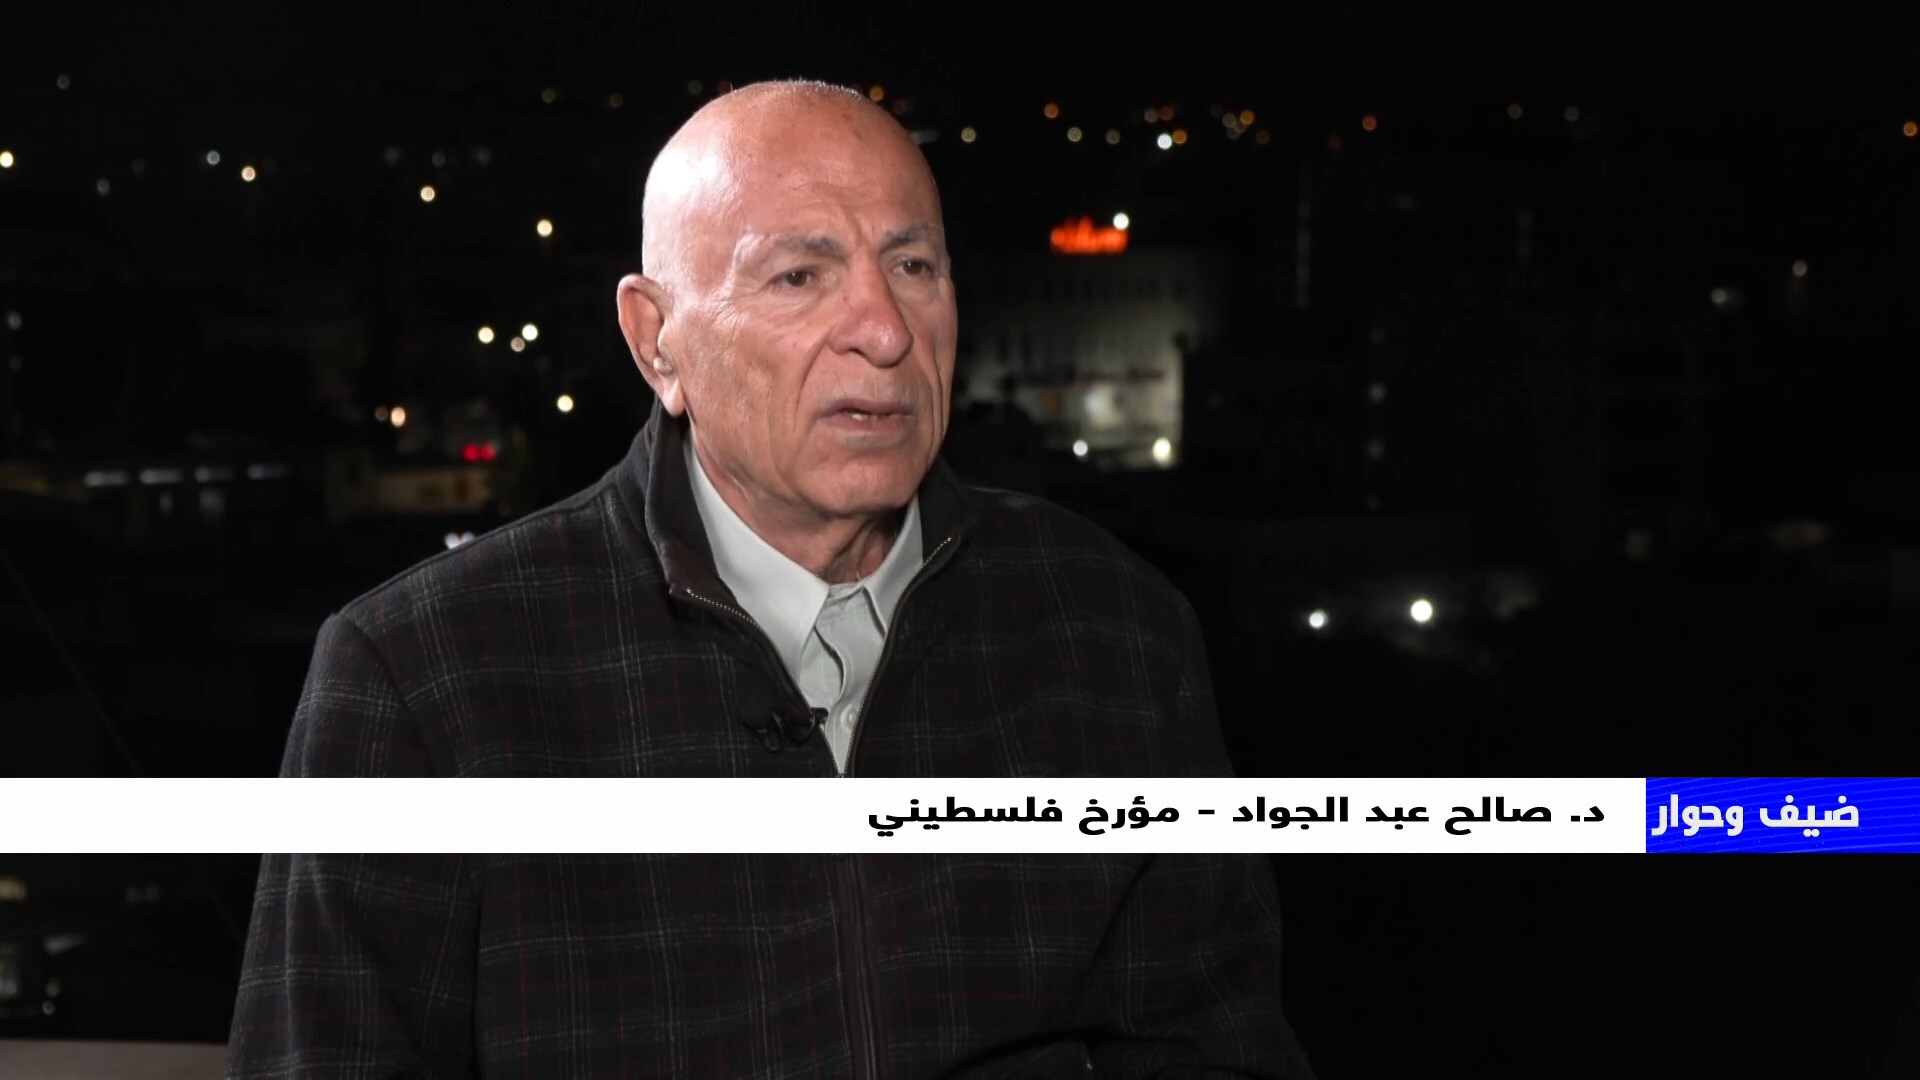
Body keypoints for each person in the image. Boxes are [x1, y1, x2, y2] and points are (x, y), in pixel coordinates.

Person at [228, 80, 1314, 1078]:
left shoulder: (1113, 630)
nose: (885, 331)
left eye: (914, 267)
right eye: (800, 275)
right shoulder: (420, 680)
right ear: (657, 342)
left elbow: (1216, 1049)